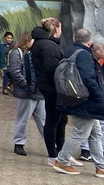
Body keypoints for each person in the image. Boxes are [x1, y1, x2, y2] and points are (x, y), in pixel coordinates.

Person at [52, 29, 104, 176]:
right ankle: (62, 160)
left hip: (74, 98)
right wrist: (100, 96)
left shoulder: (70, 51)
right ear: (89, 41)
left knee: (95, 134)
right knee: (80, 133)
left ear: (75, 38)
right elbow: (89, 79)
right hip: (85, 101)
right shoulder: (84, 55)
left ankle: (101, 166)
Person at [31, 17, 68, 165]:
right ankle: (53, 155)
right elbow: (52, 68)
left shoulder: (44, 43)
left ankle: (61, 151)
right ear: (56, 29)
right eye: (60, 28)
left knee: (61, 119)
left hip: (49, 86)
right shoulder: (48, 46)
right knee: (53, 120)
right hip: (52, 87)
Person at [8, 31, 45, 156]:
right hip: (26, 92)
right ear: (28, 39)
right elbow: (15, 71)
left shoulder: (36, 52)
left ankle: (51, 144)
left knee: (44, 120)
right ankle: (19, 143)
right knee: (23, 119)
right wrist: (27, 85)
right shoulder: (16, 52)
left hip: (39, 92)